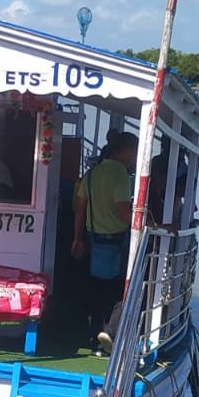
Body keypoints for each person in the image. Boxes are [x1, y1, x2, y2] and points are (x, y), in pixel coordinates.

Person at [71, 130, 137, 356]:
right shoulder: (119, 174)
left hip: (92, 239)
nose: (135, 158)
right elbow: (122, 211)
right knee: (118, 291)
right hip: (114, 241)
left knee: (95, 290)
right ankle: (108, 335)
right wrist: (144, 224)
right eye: (135, 153)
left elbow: (80, 209)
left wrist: (77, 238)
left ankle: (94, 336)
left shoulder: (92, 173)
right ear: (126, 151)